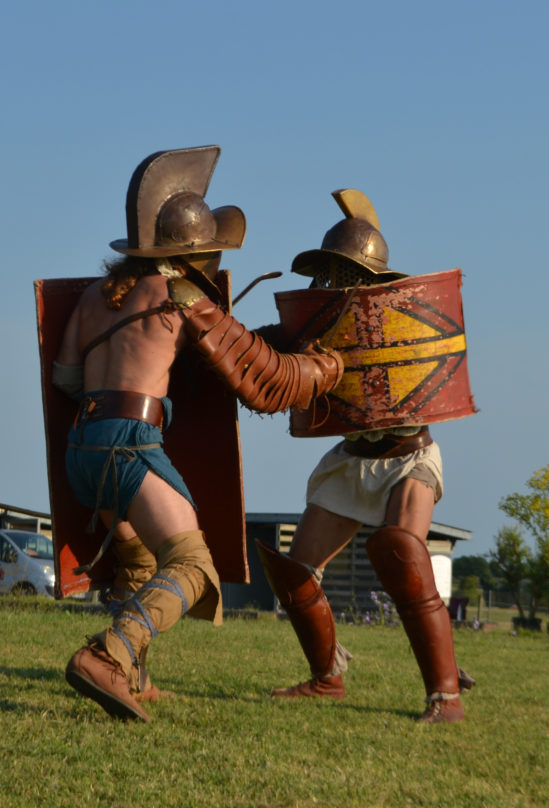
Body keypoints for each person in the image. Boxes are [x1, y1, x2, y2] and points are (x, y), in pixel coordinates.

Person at [54, 146, 343, 722]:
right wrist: (325, 368)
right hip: (130, 446)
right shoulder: (182, 298)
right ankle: (109, 656)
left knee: (137, 557)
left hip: (81, 448)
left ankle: (135, 677)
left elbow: (65, 379)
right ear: (195, 253)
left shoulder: (94, 296)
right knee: (191, 564)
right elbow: (263, 380)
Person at [257, 189, 472, 723]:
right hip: (351, 460)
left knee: (403, 554)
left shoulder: (399, 317)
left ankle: (445, 697)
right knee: (296, 572)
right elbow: (266, 352)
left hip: (408, 456)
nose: (331, 281)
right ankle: (327, 679)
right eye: (327, 271)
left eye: (341, 270)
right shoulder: (315, 322)